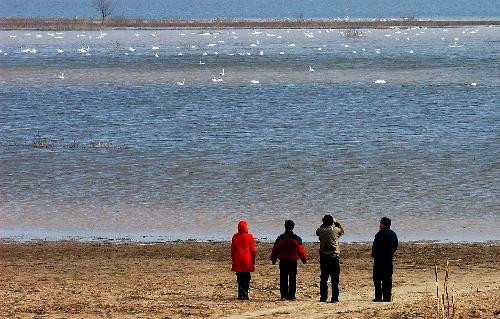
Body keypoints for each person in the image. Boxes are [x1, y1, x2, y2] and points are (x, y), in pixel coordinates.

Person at [270, 220, 308, 301]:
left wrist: (273, 259)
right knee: (292, 278)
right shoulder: (296, 238)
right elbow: (300, 250)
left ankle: (284, 295)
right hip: (292, 261)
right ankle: (292, 296)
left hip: (283, 261)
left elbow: (275, 249)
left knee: (283, 278)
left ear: (285, 226)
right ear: (293, 227)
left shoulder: (280, 238)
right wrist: (304, 259)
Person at [316, 214, 344, 303]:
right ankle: (335, 298)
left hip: (324, 257)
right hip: (333, 257)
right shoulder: (335, 230)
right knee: (335, 279)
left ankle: (323, 297)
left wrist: (323, 224)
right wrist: (336, 222)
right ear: (332, 222)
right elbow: (342, 231)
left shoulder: (320, 230)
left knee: (324, 278)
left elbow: (318, 232)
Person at [371, 217, 398, 302]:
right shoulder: (393, 234)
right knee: (387, 279)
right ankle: (387, 297)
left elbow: (375, 246)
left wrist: (374, 255)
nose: (379, 225)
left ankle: (378, 297)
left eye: (380, 223)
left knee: (377, 279)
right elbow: (395, 245)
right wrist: (391, 253)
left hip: (379, 259)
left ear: (383, 224)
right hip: (388, 260)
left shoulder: (379, 234)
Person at [231, 220, 256, 300]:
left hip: (238, 260)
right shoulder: (250, 237)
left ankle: (240, 293)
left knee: (239, 277)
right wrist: (253, 259)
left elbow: (232, 250)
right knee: (247, 277)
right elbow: (252, 250)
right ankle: (245, 293)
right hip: (247, 260)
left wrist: (233, 259)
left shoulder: (235, 237)